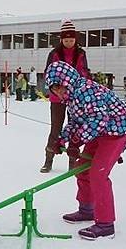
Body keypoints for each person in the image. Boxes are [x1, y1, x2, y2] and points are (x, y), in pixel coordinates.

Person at [45, 61, 126, 240]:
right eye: (54, 89)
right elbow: (76, 122)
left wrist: (77, 141)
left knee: (98, 174)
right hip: (99, 133)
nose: (59, 92)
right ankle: (87, 210)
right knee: (83, 170)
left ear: (67, 80)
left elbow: (99, 118)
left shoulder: (86, 90)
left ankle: (106, 224)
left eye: (60, 87)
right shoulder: (72, 98)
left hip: (114, 133)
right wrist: (62, 139)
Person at [41, 19, 90, 173]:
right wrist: (56, 88)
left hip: (75, 98)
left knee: (75, 128)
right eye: (66, 40)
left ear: (76, 39)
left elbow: (85, 72)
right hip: (58, 98)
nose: (69, 42)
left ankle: (72, 162)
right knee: (56, 128)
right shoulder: (54, 53)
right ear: (61, 39)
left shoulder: (81, 53)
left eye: (71, 39)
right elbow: (48, 73)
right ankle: (48, 160)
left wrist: (86, 84)